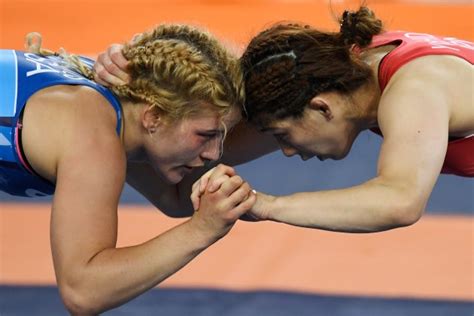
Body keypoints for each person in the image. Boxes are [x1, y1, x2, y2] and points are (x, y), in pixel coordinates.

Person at [95, 7, 473, 234]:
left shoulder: (415, 90)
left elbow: (400, 202)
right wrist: (129, 88)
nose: (288, 151)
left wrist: (268, 205)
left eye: (283, 136)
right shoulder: (334, 68)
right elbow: (180, 189)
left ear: (322, 108)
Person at [0, 25, 256, 314]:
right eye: (206, 134)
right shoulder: (93, 139)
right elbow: (83, 290)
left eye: (222, 136)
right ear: (154, 117)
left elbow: (177, 197)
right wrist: (201, 230)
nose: (215, 154)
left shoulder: (120, 100)